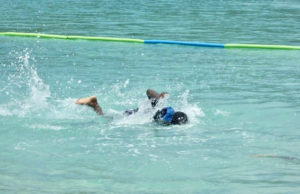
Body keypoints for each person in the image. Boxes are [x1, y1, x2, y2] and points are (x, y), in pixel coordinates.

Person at [75, 89, 188, 125]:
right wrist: (159, 98)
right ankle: (95, 105)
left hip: (133, 113)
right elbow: (149, 91)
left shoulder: (163, 108)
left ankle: (94, 104)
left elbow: (149, 92)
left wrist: (160, 97)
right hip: (130, 116)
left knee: (107, 116)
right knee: (104, 117)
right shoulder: (162, 116)